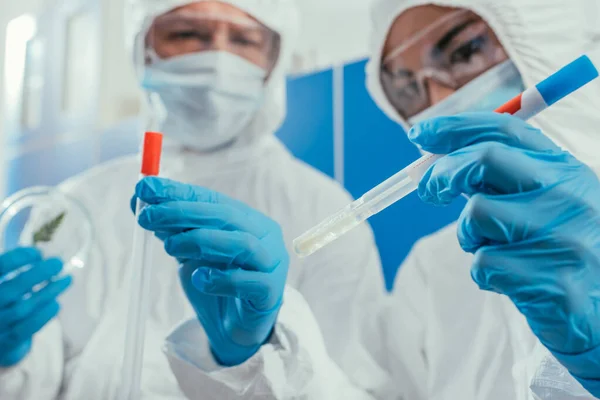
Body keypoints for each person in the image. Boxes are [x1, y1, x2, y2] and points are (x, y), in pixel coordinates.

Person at [126, 0, 600, 399]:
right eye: (407, 85)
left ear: (545, 37)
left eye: (466, 50)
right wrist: (255, 357)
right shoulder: (435, 271)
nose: (436, 98)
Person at [0, 1, 389, 398]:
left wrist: (255, 353)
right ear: (143, 48)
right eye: (187, 34)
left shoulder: (325, 209)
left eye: (244, 39)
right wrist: (7, 357)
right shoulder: (76, 206)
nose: (218, 60)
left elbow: (359, 389)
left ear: (274, 59)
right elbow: (34, 380)